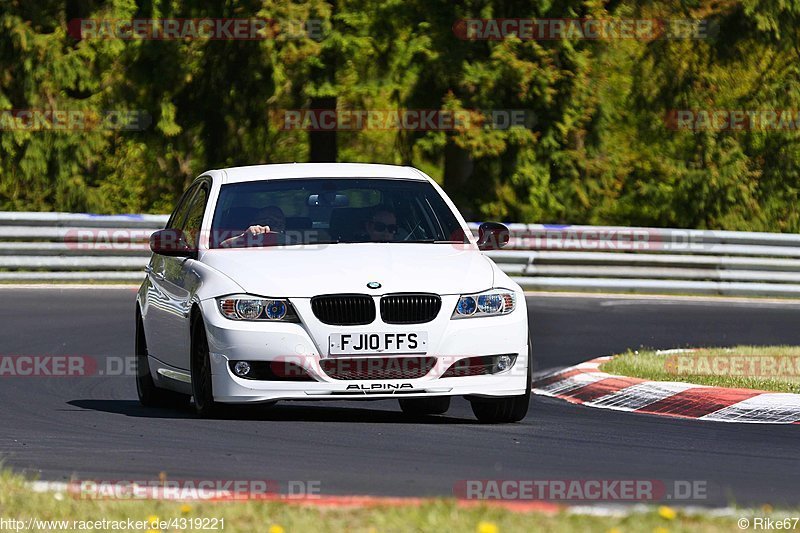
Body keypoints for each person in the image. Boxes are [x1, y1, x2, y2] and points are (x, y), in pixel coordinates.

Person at [219, 206, 286, 248]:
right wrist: (243, 238)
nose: (276, 224)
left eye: (280, 222)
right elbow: (223, 246)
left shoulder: (293, 241)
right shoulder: (247, 242)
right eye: (269, 221)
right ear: (253, 223)